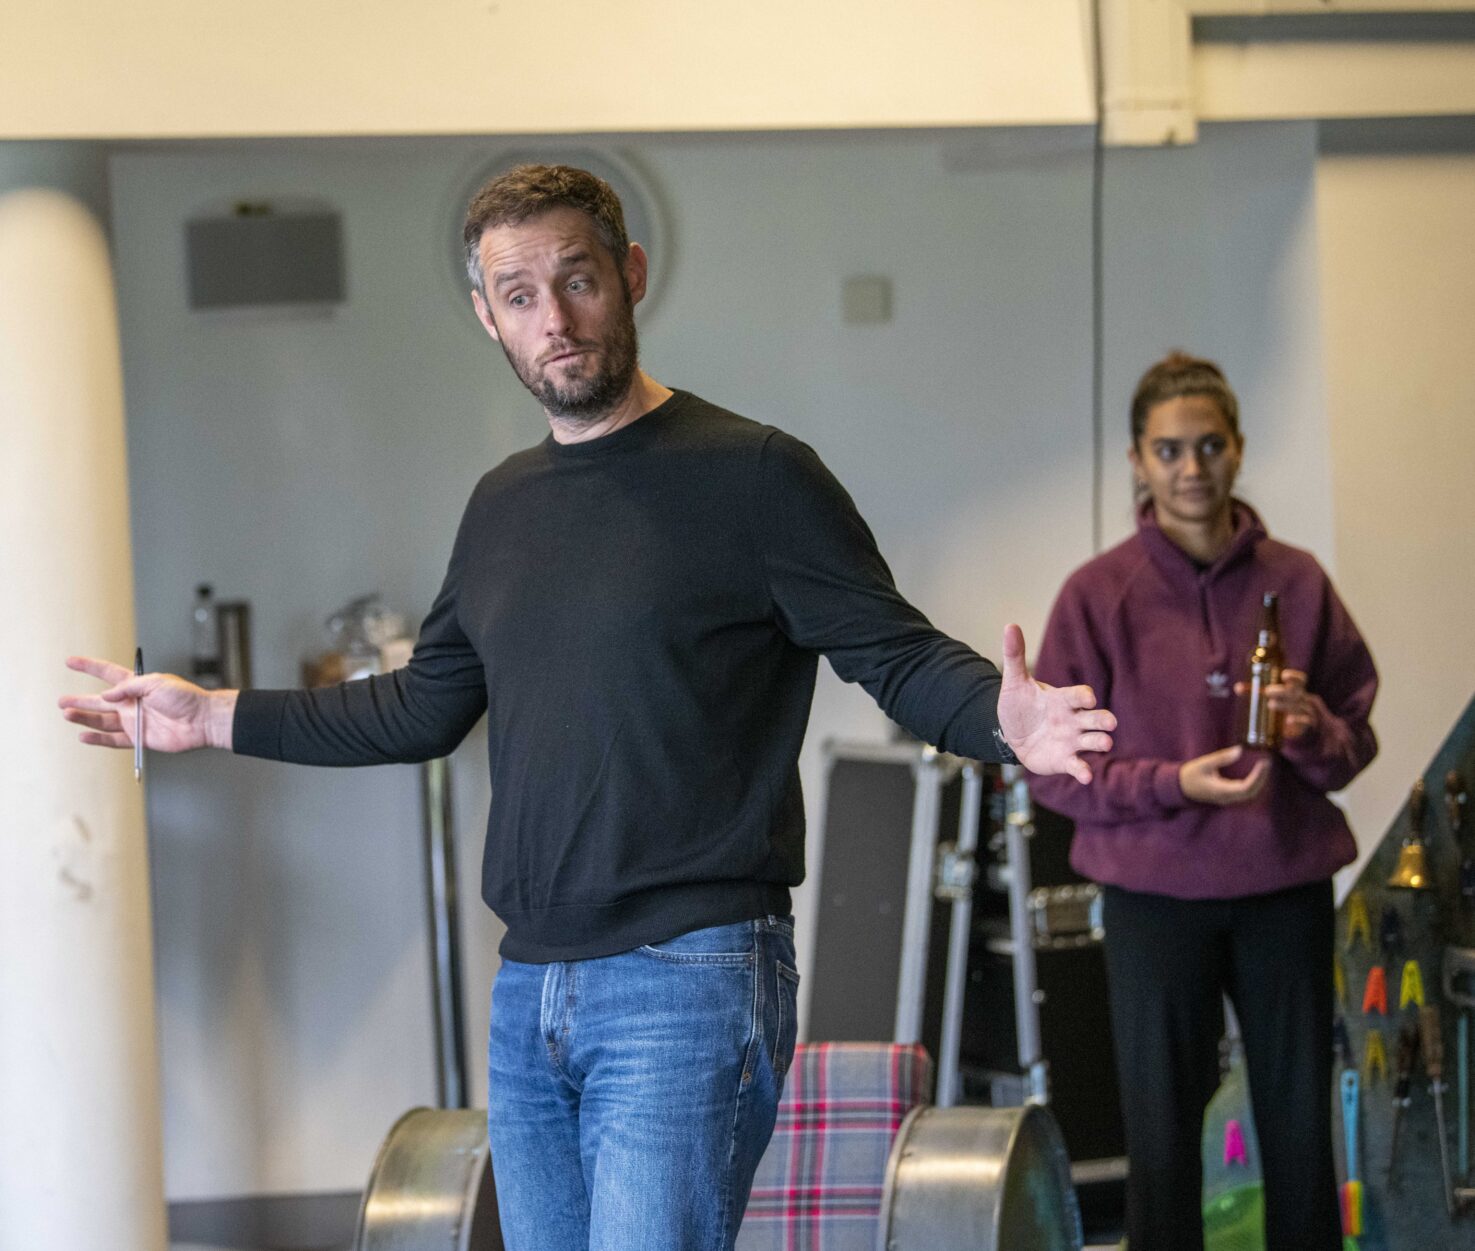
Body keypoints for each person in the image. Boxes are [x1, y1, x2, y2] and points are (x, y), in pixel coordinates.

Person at [59, 164, 1115, 1251]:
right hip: (530, 991)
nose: (553, 321)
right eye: (518, 297)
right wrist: (209, 718)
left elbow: (891, 655)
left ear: (630, 275)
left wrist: (1003, 720)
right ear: (486, 317)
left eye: (577, 282)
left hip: (691, 976)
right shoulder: (501, 506)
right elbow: (423, 708)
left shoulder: (754, 476)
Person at [1029, 351, 1377, 1251]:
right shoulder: (1096, 596)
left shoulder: (1297, 583)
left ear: (1238, 449)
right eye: (1169, 449)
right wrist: (1170, 783)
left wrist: (1306, 727)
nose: (1192, 468)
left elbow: (1352, 747)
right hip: (1154, 902)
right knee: (1160, 1135)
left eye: (1210, 444)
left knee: (1300, 1128)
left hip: (1282, 891)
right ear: (1139, 461)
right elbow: (1052, 771)